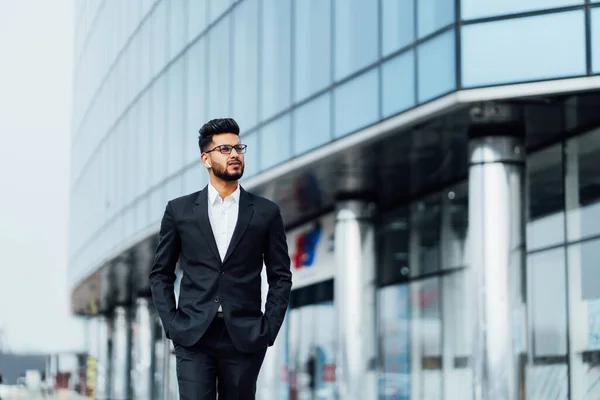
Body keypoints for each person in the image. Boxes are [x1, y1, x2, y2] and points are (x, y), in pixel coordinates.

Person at [149, 118, 292, 399]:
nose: (235, 155)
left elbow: (281, 276)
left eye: (239, 148)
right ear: (206, 158)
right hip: (193, 335)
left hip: (245, 336)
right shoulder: (180, 211)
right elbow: (160, 274)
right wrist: (173, 324)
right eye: (225, 149)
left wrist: (268, 328)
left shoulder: (265, 212)